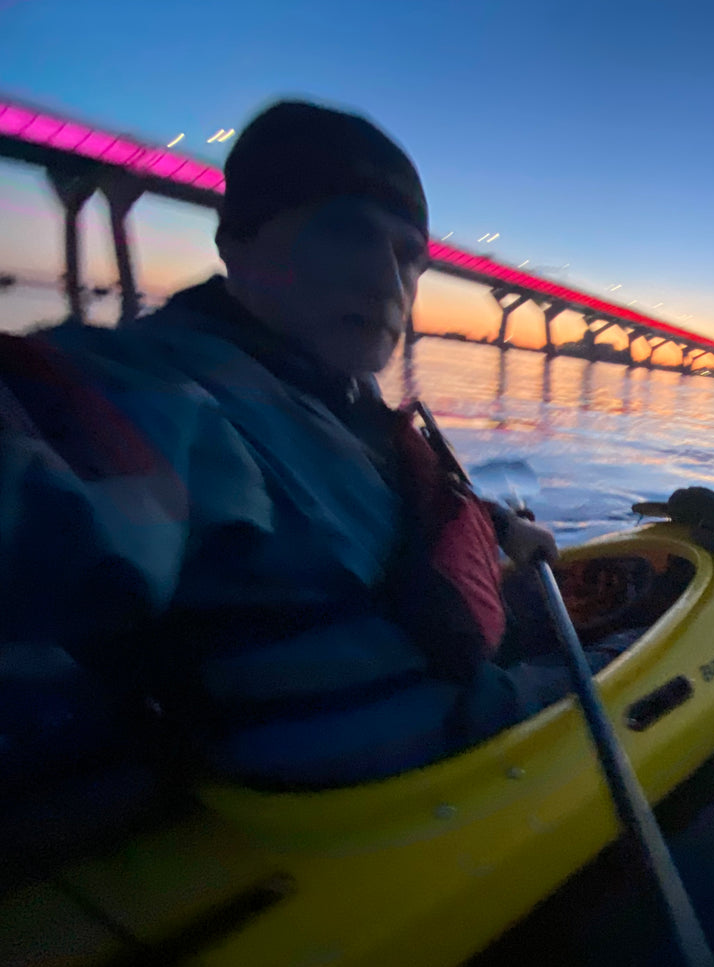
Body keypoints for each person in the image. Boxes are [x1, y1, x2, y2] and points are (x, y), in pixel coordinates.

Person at [0, 100, 558, 792]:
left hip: (449, 688)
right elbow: (58, 459)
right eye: (348, 232)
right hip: (401, 770)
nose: (390, 285)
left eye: (409, 257)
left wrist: (502, 529)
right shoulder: (166, 392)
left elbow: (387, 494)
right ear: (240, 239)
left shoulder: (332, 391)